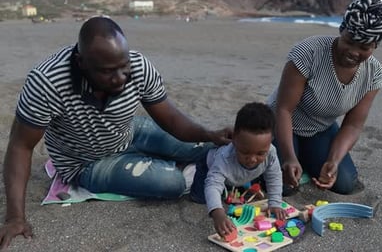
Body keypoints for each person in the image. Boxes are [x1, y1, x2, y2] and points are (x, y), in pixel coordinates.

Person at [0, 16, 232, 248]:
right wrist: (15, 218)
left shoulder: (139, 66)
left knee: (208, 147)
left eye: (124, 66)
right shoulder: (47, 82)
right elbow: (20, 146)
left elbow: (171, 119)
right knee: (172, 183)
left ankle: (147, 160)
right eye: (108, 71)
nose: (121, 78)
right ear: (81, 62)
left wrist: (209, 134)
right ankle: (147, 165)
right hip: (86, 162)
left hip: (129, 132)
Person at [267, 0, 382, 195]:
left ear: (375, 45)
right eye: (350, 41)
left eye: (364, 47)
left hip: (320, 129)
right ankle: (293, 154)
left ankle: (307, 157)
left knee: (343, 183)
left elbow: (353, 125)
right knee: (284, 187)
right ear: (342, 29)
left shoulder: (374, 73)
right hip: (280, 123)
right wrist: (289, 157)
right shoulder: (309, 52)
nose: (353, 52)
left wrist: (334, 160)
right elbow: (283, 110)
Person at [189, 102, 286, 237]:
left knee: (243, 182)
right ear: (234, 139)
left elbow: (274, 176)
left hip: (237, 175)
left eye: (260, 153)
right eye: (245, 152)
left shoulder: (271, 152)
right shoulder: (225, 158)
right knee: (200, 198)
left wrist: (275, 202)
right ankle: (189, 167)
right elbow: (212, 185)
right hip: (208, 166)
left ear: (270, 142)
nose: (252, 159)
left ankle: (234, 184)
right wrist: (218, 213)